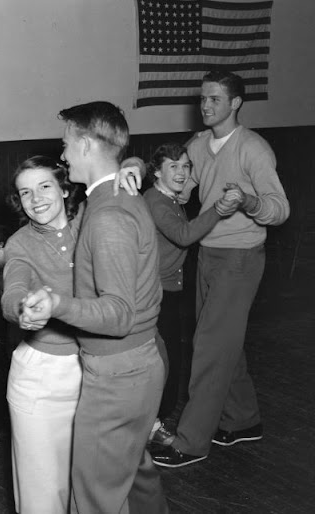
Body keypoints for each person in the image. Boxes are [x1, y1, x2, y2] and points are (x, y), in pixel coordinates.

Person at [21, 101, 168, 514]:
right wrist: (131, 162)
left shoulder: (109, 215)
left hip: (118, 373)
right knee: (134, 477)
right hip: (135, 365)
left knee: (93, 499)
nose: (63, 154)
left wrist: (56, 304)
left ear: (85, 144)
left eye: (67, 144)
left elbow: (118, 314)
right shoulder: (106, 199)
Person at [150, 70, 290, 468]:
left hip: (241, 258)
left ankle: (191, 441)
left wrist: (247, 201)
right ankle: (243, 420)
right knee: (224, 341)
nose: (205, 106)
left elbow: (280, 210)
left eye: (214, 99)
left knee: (210, 346)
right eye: (203, 99)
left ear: (235, 103)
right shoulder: (197, 145)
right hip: (207, 254)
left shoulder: (254, 149)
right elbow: (181, 187)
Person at [1, 156, 83, 514]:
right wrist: (23, 308)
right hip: (41, 379)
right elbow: (13, 288)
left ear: (65, 188)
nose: (36, 199)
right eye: (25, 192)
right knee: (42, 496)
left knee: (89, 486)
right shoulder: (20, 243)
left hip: (96, 371)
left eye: (45, 186)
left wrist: (132, 170)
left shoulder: (92, 226)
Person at [143, 143, 240, 443]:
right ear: (157, 171)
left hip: (167, 290)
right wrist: (218, 210)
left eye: (186, 166)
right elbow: (184, 235)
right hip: (154, 294)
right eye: (174, 166)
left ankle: (153, 423)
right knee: (161, 363)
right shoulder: (157, 202)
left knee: (170, 359)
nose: (182, 172)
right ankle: (149, 427)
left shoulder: (169, 198)